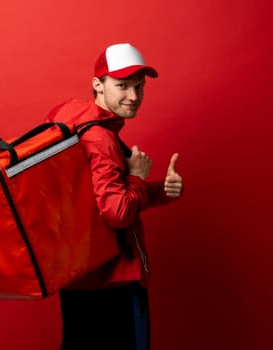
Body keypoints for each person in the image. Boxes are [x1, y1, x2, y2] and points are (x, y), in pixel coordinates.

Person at [44, 43, 183, 350]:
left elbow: (97, 199)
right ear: (98, 85)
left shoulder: (78, 129)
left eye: (139, 87)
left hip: (82, 279)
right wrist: (136, 176)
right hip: (114, 283)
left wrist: (158, 191)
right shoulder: (101, 138)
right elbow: (117, 214)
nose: (133, 97)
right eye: (122, 86)